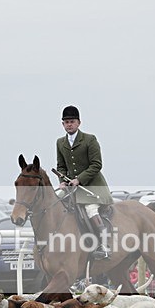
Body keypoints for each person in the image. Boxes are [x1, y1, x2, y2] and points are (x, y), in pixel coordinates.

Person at [55, 105, 114, 259]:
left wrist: (79, 179)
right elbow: (61, 166)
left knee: (90, 209)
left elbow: (96, 164)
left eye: (72, 121)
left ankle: (104, 245)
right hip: (71, 187)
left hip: (93, 187)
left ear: (79, 123)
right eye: (66, 122)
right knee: (56, 202)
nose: (69, 124)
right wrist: (62, 180)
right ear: (62, 124)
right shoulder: (60, 143)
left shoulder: (90, 139)